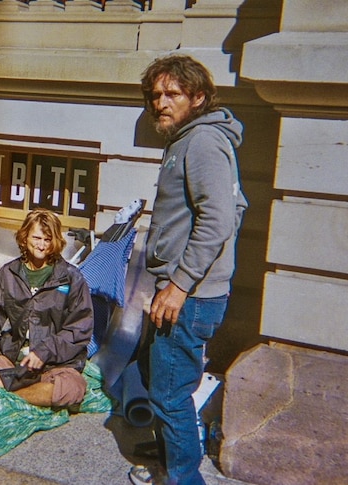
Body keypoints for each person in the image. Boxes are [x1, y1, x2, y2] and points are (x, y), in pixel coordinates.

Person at [129, 55, 248, 485]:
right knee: (153, 373)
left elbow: (218, 220)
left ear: (198, 97)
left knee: (169, 393)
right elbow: (225, 209)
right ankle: (169, 451)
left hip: (190, 294)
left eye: (172, 93)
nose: (160, 102)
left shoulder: (202, 143)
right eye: (155, 94)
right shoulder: (185, 140)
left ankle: (183, 476)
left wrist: (179, 285)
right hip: (178, 287)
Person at [0, 208, 94, 408]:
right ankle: (30, 393)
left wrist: (45, 352)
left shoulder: (72, 277)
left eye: (48, 240)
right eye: (37, 238)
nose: (42, 245)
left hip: (55, 363)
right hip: (14, 359)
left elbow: (79, 329)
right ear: (24, 237)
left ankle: (11, 395)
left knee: (71, 389)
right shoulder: (8, 273)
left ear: (55, 242)